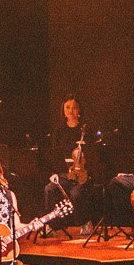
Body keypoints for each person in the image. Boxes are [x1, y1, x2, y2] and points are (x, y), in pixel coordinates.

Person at [42, 95, 97, 232]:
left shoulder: (86, 130)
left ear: (79, 110)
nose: (70, 111)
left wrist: (86, 152)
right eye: (67, 107)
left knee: (76, 193)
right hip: (65, 173)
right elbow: (55, 155)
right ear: (63, 110)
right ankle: (52, 224)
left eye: (74, 108)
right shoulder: (59, 131)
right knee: (50, 188)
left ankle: (85, 222)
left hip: (83, 174)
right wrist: (54, 173)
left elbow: (94, 155)